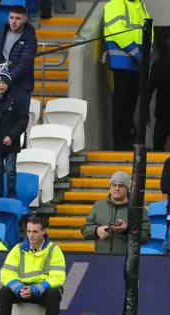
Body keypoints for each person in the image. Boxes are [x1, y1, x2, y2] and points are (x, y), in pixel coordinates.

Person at [0, 217, 65, 315]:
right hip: (21, 289)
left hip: (42, 291)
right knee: (4, 292)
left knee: (53, 293)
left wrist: (35, 289)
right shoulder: (17, 249)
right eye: (29, 231)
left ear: (44, 231)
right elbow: (6, 273)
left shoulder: (54, 250)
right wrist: (19, 288)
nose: (31, 235)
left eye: (35, 232)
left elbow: (57, 277)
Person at [103, 0, 152, 150]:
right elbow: (118, 32)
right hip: (123, 61)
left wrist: (147, 54)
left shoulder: (141, 5)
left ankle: (128, 140)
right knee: (122, 103)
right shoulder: (115, 4)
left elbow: (150, 31)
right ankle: (121, 142)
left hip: (137, 62)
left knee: (130, 104)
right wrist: (139, 54)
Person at [80, 171, 151, 254]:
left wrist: (127, 229)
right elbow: (85, 230)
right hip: (102, 258)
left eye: (121, 186)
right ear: (110, 187)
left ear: (127, 188)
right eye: (114, 185)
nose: (117, 188)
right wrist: (96, 230)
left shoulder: (138, 209)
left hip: (126, 261)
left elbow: (145, 236)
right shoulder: (98, 206)